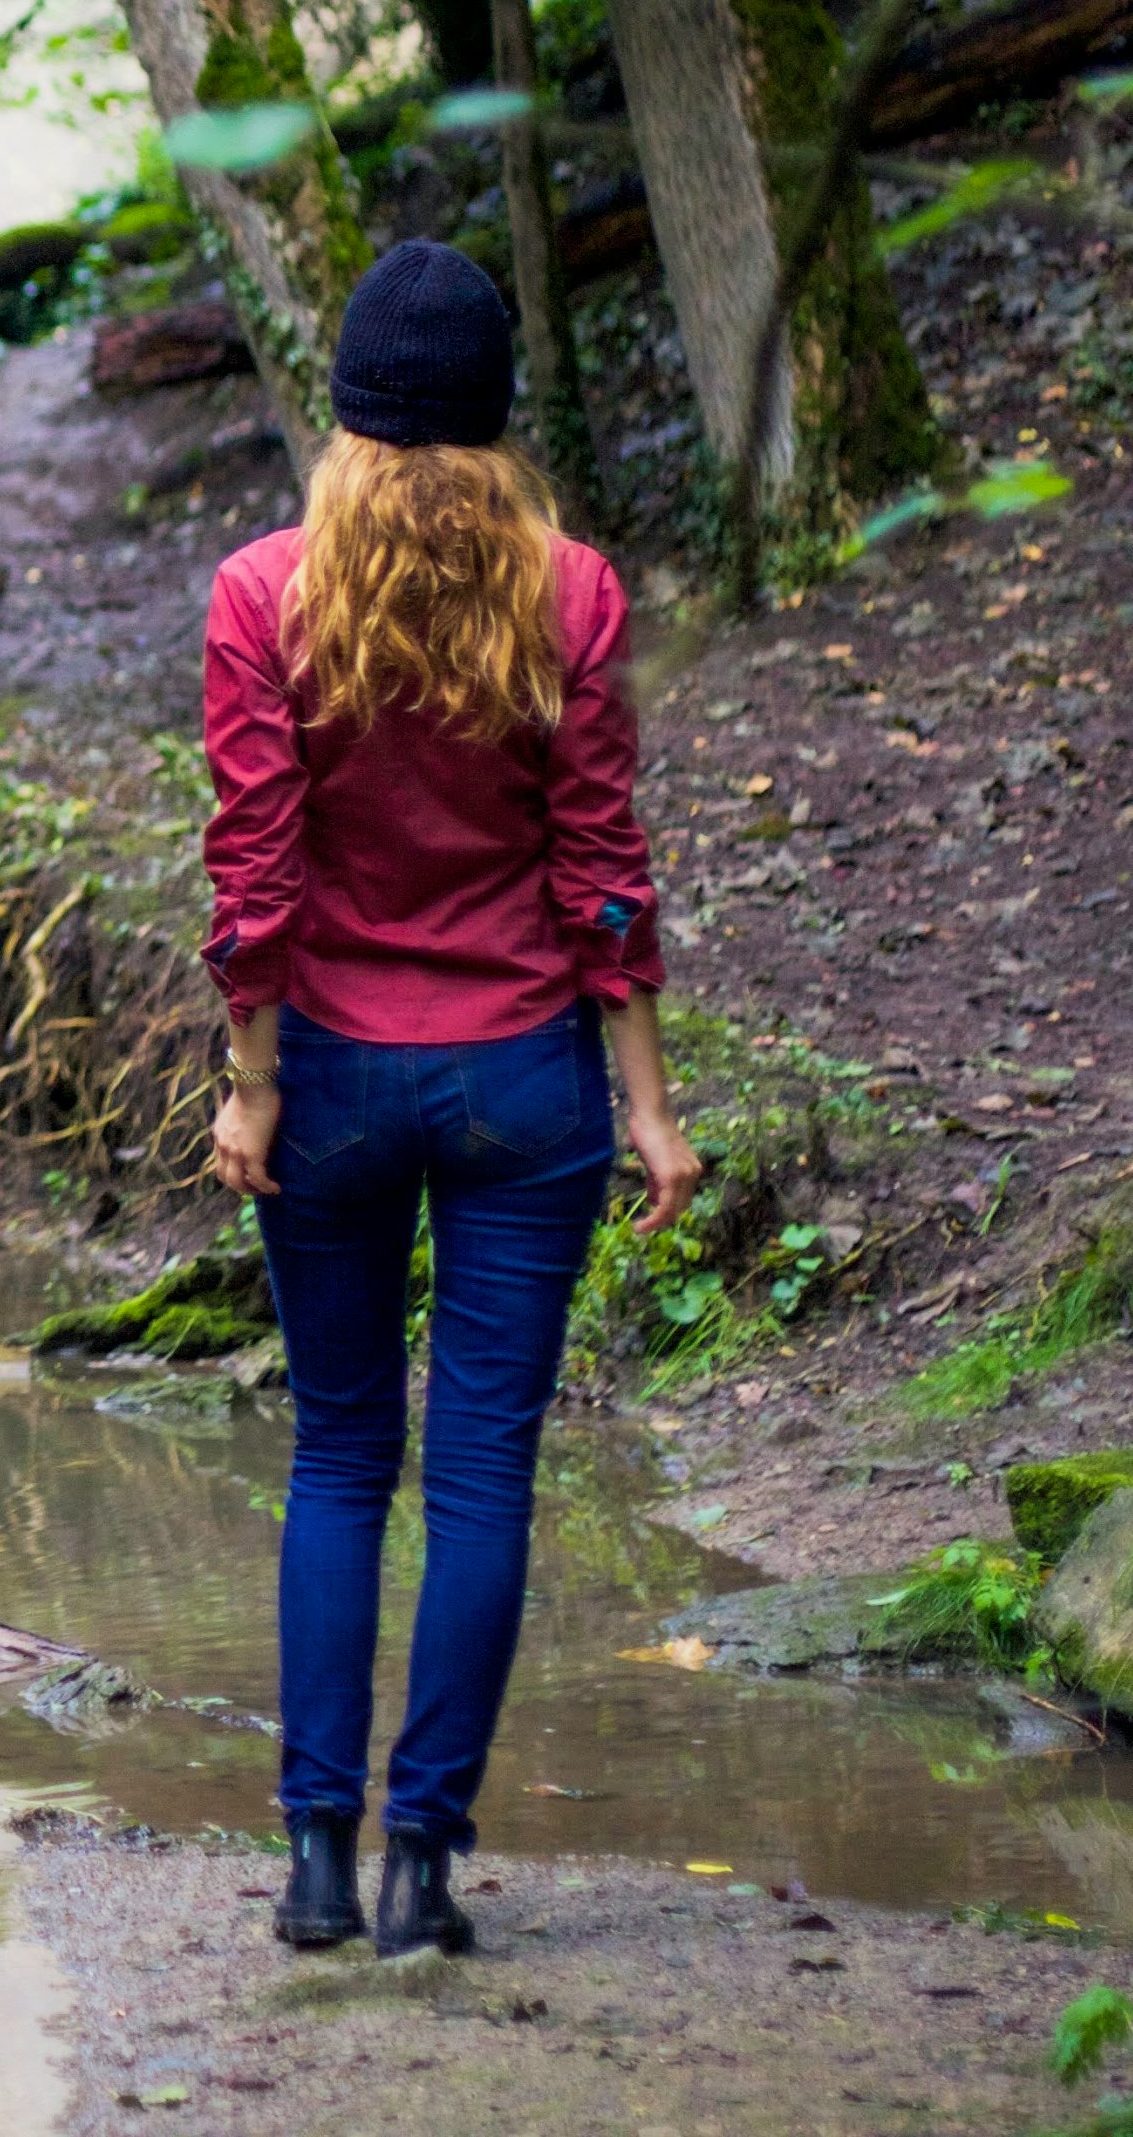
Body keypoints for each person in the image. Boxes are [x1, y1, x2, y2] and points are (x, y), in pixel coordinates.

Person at [200, 239, 701, 1960]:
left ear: (342, 409)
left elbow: (251, 875)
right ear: (496, 416)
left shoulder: (264, 591)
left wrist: (251, 1085)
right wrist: (646, 1105)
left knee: (342, 1458)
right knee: (480, 1471)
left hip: (329, 1076)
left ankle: (313, 1868)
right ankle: (425, 1872)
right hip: (521, 1083)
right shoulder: (572, 593)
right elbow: (601, 871)